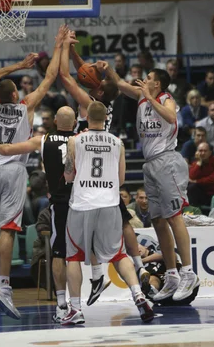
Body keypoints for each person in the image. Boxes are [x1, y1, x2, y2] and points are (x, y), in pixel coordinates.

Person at [0, 26, 68, 321]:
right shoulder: (25, 107)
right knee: (9, 229)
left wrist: (16, 66)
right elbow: (50, 77)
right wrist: (59, 45)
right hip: (13, 171)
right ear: (15, 94)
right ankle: (2, 286)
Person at [60, 31, 150, 306]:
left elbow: (66, 77)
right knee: (117, 235)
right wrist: (74, 51)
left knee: (74, 249)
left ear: (97, 91)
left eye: (92, 82)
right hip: (108, 187)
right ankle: (129, 278)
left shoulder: (86, 113)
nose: (86, 80)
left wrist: (62, 47)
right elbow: (84, 72)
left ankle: (75, 303)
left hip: (84, 181)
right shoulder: (108, 120)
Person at [104, 62, 200, 302]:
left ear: (157, 83)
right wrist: (107, 69)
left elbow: (170, 117)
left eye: (147, 77)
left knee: (174, 216)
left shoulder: (167, 98)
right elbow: (119, 84)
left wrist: (149, 96)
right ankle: (171, 275)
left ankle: (188, 273)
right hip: (150, 164)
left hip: (167, 161)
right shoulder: (141, 96)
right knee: (157, 220)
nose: (143, 80)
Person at [62, 102, 154, 325]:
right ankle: (139, 296)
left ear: (85, 117)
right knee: (119, 255)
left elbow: (68, 176)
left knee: (73, 256)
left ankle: (75, 309)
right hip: (109, 203)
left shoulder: (75, 140)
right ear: (105, 119)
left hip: (82, 204)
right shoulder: (118, 142)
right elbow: (121, 180)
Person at [0, 106, 76, 322]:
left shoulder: (44, 139)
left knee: (59, 253)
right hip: (85, 201)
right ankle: (130, 287)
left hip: (61, 202)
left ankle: (61, 305)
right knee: (87, 252)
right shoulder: (83, 138)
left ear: (55, 121)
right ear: (75, 123)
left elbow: (12, 149)